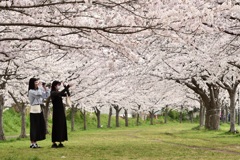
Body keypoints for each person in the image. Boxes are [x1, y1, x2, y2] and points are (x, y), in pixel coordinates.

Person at [28, 78, 49, 148]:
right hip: (34, 110)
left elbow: (46, 96)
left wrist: (45, 88)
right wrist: (40, 87)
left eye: (38, 82)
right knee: (34, 127)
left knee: (39, 126)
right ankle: (32, 143)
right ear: (32, 83)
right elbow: (39, 94)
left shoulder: (38, 90)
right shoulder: (31, 91)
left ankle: (35, 142)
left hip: (39, 109)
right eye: (36, 82)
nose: (37, 83)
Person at [50, 80, 71, 148]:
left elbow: (68, 94)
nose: (59, 86)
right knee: (56, 125)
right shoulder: (53, 92)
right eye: (58, 85)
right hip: (56, 111)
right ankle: (54, 142)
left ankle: (60, 141)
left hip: (61, 110)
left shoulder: (58, 92)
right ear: (54, 85)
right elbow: (59, 93)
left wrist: (66, 87)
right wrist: (66, 87)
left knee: (61, 125)